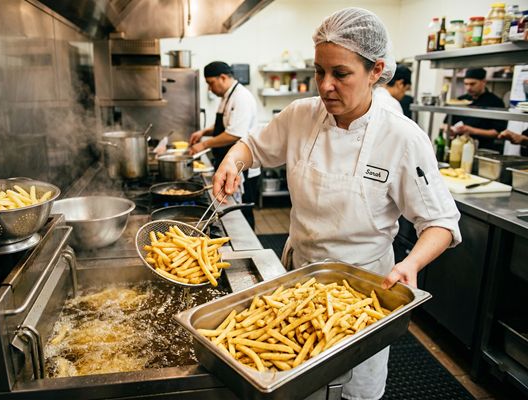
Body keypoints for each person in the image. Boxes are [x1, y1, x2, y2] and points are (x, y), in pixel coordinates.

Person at [212, 8, 461, 400]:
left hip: (360, 299)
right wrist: (232, 161)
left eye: (341, 74)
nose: (326, 86)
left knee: (352, 391)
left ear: (376, 70)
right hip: (296, 284)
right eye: (319, 71)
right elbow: (252, 147)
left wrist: (411, 264)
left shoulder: (402, 137)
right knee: (296, 384)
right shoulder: (300, 115)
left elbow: (441, 222)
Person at [189, 61, 260, 229]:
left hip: (243, 168)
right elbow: (225, 125)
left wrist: (204, 145)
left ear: (222, 78)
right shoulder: (227, 96)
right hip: (229, 164)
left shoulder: (241, 97)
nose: (209, 89)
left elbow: (234, 133)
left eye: (211, 83)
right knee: (232, 209)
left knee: (242, 211)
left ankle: (247, 240)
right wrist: (204, 132)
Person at [449, 68, 507, 152]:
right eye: (466, 84)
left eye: (472, 84)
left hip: (484, 149)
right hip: (458, 147)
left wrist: (470, 130)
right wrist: (450, 130)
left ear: (484, 82)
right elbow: (446, 124)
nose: (468, 88)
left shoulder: (495, 102)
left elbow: (497, 132)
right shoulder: (460, 100)